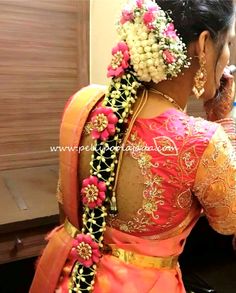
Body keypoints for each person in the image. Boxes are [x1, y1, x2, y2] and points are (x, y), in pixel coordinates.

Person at [30, 1, 236, 292]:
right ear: (203, 45)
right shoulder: (200, 140)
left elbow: (67, 208)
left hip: (66, 274)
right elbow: (230, 221)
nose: (227, 58)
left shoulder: (83, 104)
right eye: (227, 43)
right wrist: (225, 121)